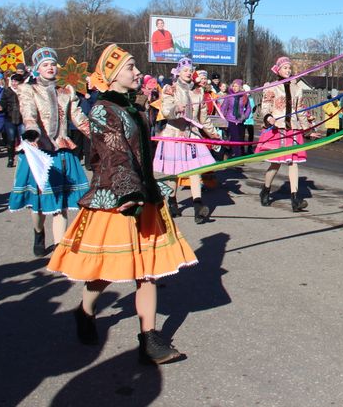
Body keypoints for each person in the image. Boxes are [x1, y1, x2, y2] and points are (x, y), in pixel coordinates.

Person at [48, 44, 197, 364]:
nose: (137, 71)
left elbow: (141, 154)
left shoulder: (137, 109)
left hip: (143, 196)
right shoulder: (103, 110)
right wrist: (129, 195)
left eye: (135, 66)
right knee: (105, 269)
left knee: (147, 271)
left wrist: (153, 184)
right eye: (130, 67)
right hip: (117, 200)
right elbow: (115, 155)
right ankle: (85, 311)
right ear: (114, 75)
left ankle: (149, 339)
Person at [9, 48, 91, 257]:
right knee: (38, 207)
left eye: (52, 64)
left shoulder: (67, 92)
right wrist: (31, 131)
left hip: (61, 151)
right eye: (45, 65)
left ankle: (59, 249)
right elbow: (28, 112)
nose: (50, 67)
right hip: (39, 151)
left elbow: (79, 119)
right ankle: (38, 232)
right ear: (37, 69)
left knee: (60, 204)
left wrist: (101, 135)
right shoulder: (29, 90)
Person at [153, 57, 218, 224]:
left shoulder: (198, 92)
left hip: (192, 136)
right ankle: (172, 200)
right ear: (178, 72)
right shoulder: (170, 89)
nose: (188, 73)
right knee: (174, 172)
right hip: (174, 135)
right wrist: (176, 109)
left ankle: (198, 206)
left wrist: (213, 134)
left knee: (195, 170)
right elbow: (166, 111)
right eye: (185, 70)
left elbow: (203, 118)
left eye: (190, 70)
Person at [256, 56, 309, 212]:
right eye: (285, 68)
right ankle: (265, 189)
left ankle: (295, 199)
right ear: (278, 70)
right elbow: (265, 107)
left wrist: (307, 128)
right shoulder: (272, 87)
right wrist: (268, 117)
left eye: (289, 68)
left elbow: (300, 111)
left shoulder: (297, 88)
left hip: (292, 129)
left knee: (293, 163)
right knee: (276, 164)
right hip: (277, 129)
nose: (288, 70)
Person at [222, 79, 252, 159]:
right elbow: (224, 108)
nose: (234, 88)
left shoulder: (244, 97)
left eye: (236, 86)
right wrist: (223, 119)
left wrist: (245, 116)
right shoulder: (229, 96)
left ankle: (230, 153)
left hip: (240, 120)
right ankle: (237, 157)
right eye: (233, 86)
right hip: (230, 119)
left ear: (240, 87)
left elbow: (248, 108)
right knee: (235, 138)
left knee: (240, 138)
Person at [1, 72, 24, 167]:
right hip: (10, 118)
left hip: (22, 118)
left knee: (24, 140)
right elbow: (3, 101)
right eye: (13, 81)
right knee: (11, 139)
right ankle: (10, 159)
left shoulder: (24, 91)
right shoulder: (7, 91)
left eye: (16, 81)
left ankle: (24, 159)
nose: (14, 83)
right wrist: (1, 107)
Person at [241, 83, 256, 156]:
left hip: (250, 121)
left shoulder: (251, 99)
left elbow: (253, 108)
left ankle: (250, 148)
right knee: (242, 136)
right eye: (247, 92)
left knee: (251, 135)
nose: (248, 93)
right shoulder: (242, 99)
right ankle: (242, 150)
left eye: (249, 92)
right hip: (244, 121)